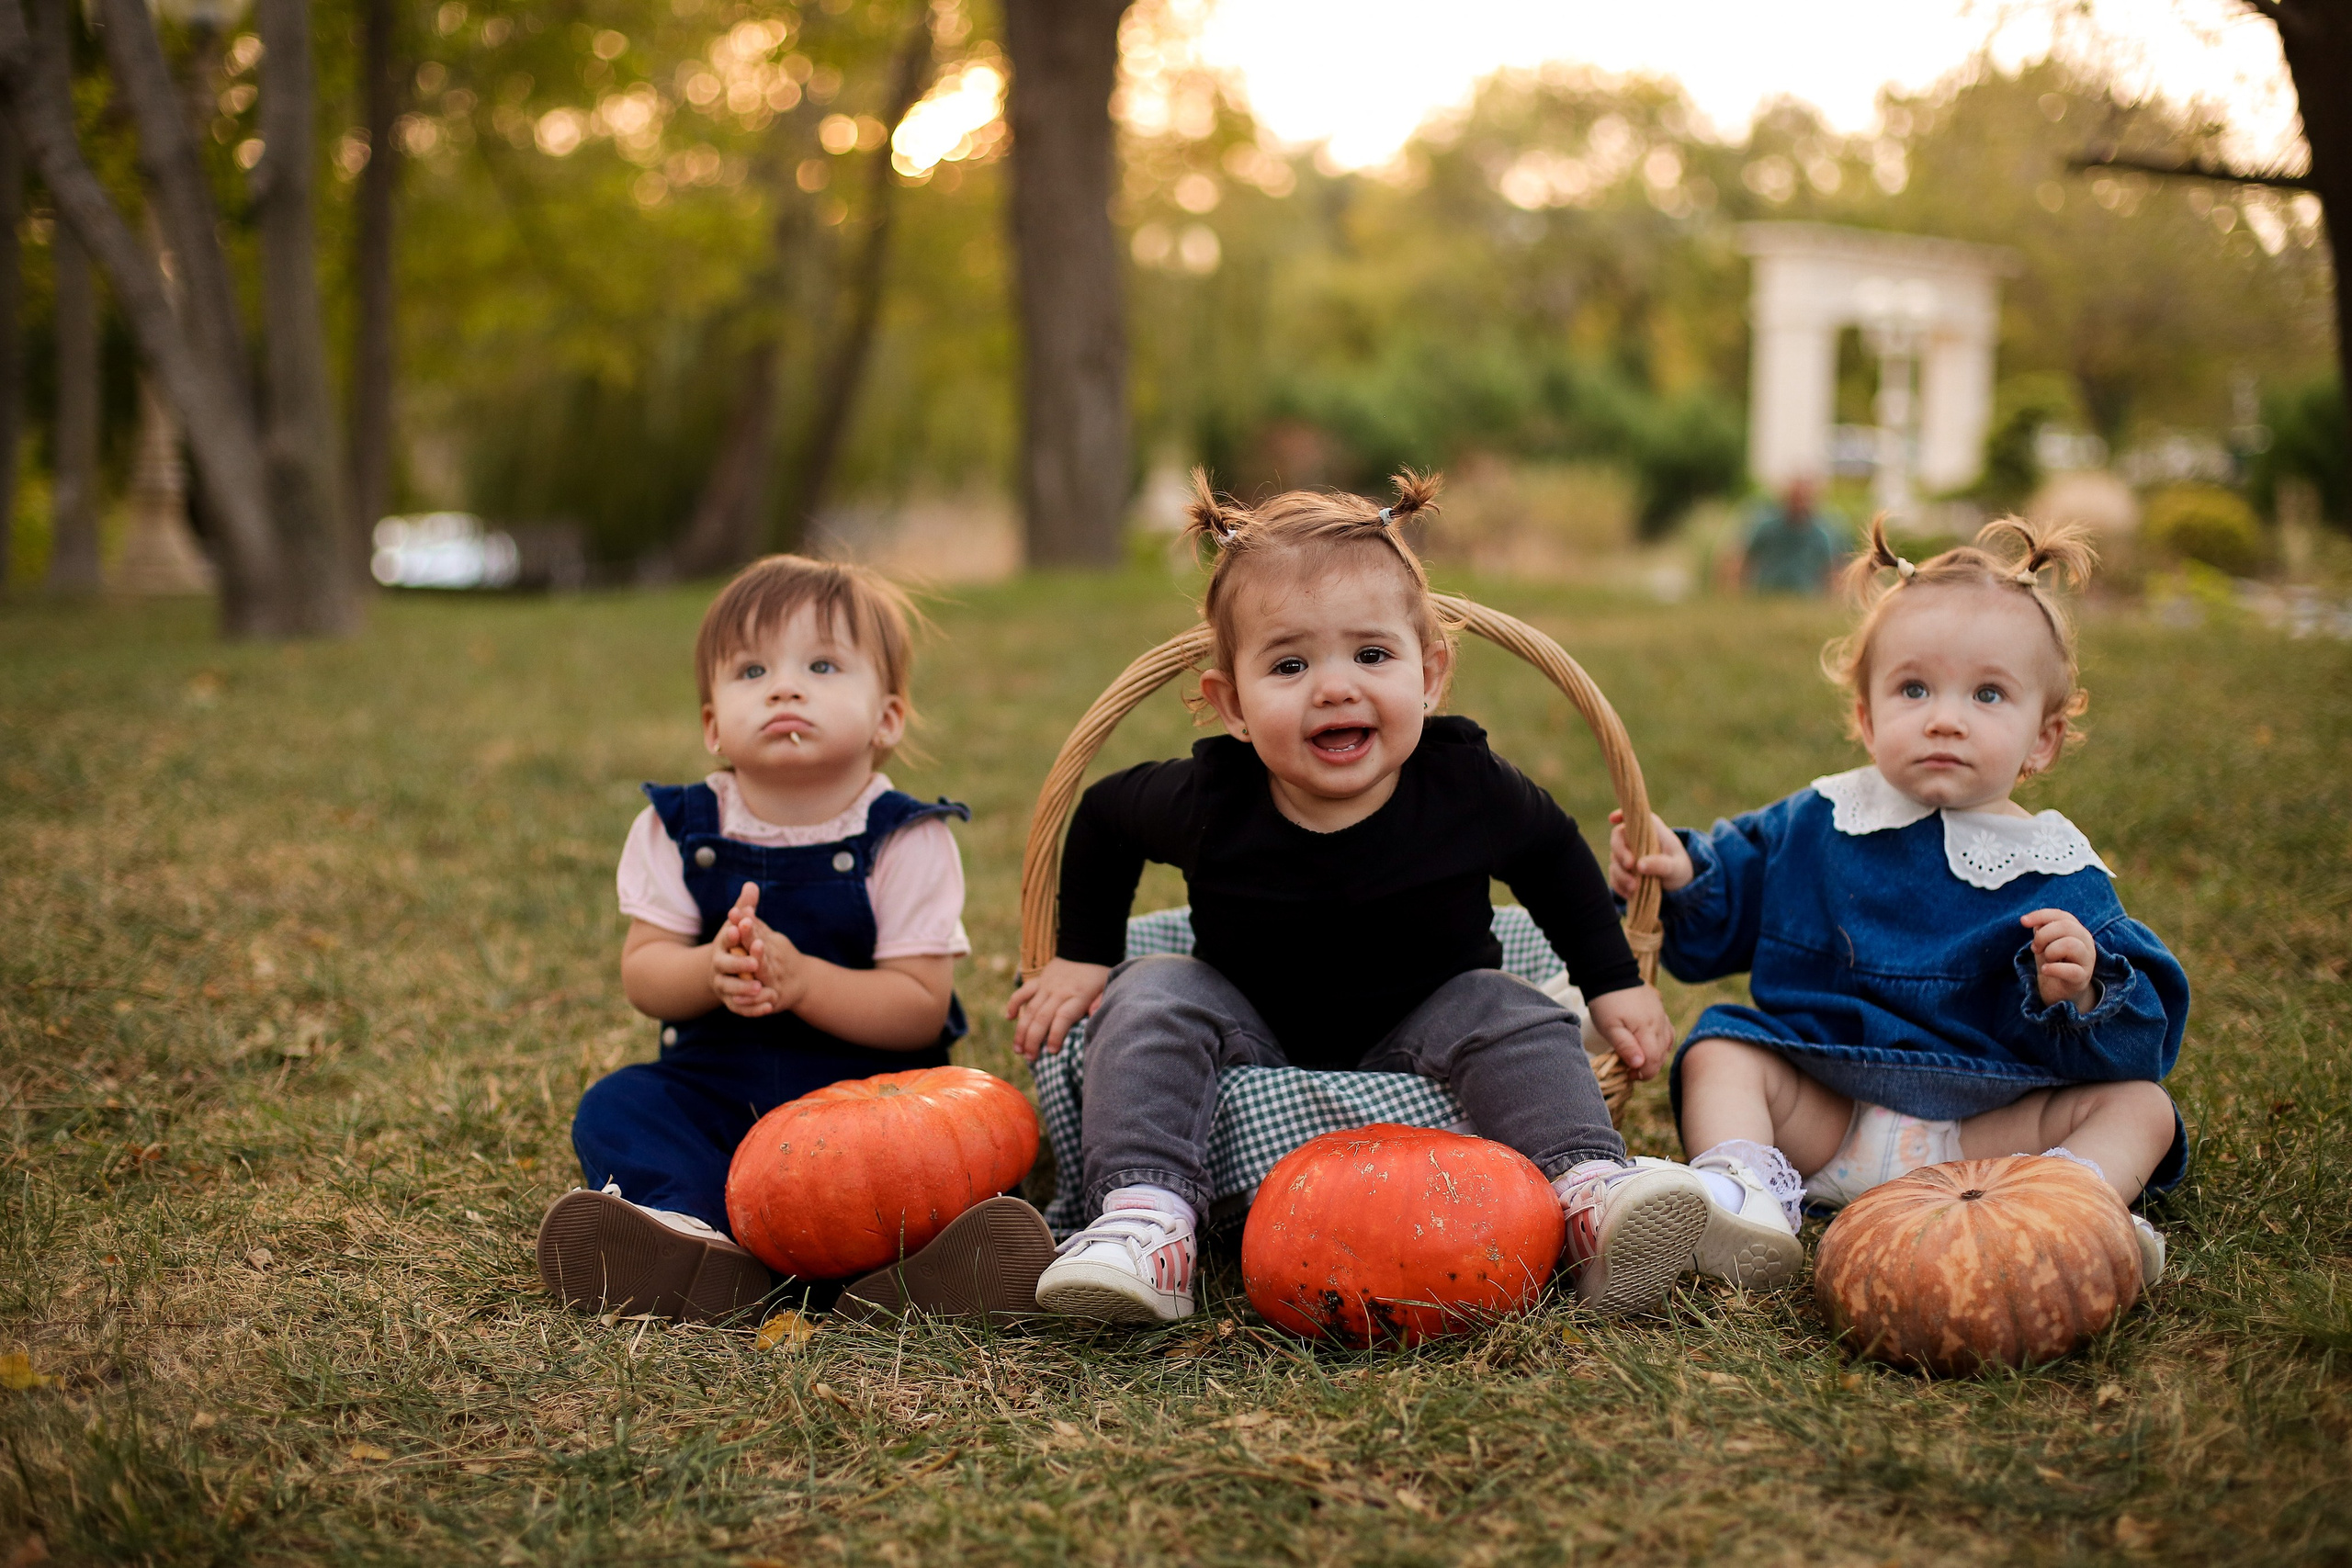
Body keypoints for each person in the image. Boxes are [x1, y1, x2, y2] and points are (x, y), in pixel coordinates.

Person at [1009, 470, 1715, 1325]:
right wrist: (1086, 956)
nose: (1335, 686)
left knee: (1515, 1009)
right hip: (1250, 1019)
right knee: (1148, 991)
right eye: (1290, 663)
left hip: (1432, 1010)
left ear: (1431, 674)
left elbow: (1554, 857)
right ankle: (1144, 1218)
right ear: (1230, 704)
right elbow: (1104, 819)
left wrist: (1612, 979)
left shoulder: (1465, 785)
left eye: (1372, 655)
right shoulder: (1211, 799)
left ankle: (1587, 1192)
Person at [1609, 516, 2186, 1291]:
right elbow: (1722, 918)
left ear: (2042, 739)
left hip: (1985, 1136)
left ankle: (2070, 1213)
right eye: (1914, 688)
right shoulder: (1821, 818)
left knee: (2143, 1105)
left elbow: (2138, 1042)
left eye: (1988, 694)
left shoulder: (2057, 870)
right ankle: (1743, 1196)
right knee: (1720, 1048)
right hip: (1829, 1114)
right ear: (1866, 715)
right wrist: (1684, 873)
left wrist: (2083, 987)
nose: (1945, 717)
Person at [536, 555, 1054, 1322]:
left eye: (821, 664)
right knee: (620, 1105)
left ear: (888, 716)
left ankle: (913, 1269)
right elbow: (644, 972)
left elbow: (918, 1004)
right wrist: (708, 971)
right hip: (717, 1089)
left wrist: (805, 981)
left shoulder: (905, 840)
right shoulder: (678, 829)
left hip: (877, 1112)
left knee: (954, 1145)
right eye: (750, 670)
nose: (784, 686)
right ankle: (694, 1232)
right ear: (714, 723)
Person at [1739, 478, 1845, 595]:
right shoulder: (1767, 529)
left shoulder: (1821, 536)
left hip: (1805, 597)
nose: (1799, 505)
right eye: (1796, 500)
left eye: (1804, 500)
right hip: (1768, 592)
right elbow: (1748, 561)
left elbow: (1828, 573)